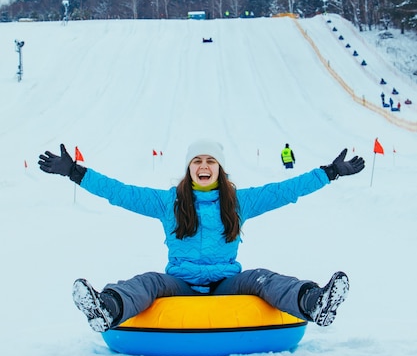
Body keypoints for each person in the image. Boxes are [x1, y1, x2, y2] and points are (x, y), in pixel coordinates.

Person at [38, 140, 365, 333]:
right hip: (179, 283)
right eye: (197, 160)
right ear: (189, 168)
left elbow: (286, 191)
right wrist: (75, 172)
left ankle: (314, 302)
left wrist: (330, 172)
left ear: (220, 168)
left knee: (263, 278)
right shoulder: (169, 202)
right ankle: (106, 308)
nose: (204, 165)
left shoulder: (238, 202)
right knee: (149, 281)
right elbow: (121, 193)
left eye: (211, 160)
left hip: (227, 283)